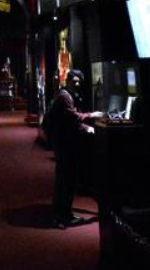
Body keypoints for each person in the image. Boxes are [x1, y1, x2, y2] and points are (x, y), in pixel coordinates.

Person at [45, 69, 103, 228]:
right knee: (65, 181)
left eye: (79, 81)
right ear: (68, 80)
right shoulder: (65, 96)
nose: (77, 84)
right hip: (64, 145)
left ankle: (64, 213)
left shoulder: (67, 95)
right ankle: (61, 216)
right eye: (75, 81)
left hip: (63, 143)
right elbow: (73, 117)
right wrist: (92, 115)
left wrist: (86, 128)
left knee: (66, 180)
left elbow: (70, 121)